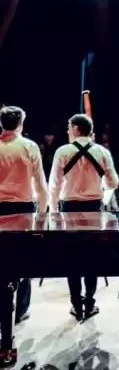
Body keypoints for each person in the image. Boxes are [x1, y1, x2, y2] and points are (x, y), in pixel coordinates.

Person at [49, 114, 119, 320]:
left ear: (76, 128)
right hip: (93, 208)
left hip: (69, 208)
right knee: (92, 255)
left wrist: (53, 211)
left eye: (68, 127)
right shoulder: (102, 152)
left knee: (72, 256)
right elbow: (113, 183)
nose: (67, 130)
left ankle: (76, 304)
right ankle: (89, 302)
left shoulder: (63, 151)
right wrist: (98, 184)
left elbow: (55, 184)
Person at [0, 105, 48, 324]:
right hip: (23, 208)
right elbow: (40, 184)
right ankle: (21, 309)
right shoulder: (29, 147)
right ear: (20, 123)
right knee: (24, 257)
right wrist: (43, 213)